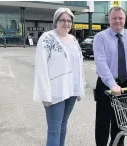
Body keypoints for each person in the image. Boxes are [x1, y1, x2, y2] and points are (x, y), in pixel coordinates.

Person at [93, 6, 127, 146]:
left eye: (120, 18)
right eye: (114, 18)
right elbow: (101, 63)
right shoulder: (100, 37)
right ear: (109, 20)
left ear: (124, 19)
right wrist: (113, 85)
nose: (117, 21)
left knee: (121, 125)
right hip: (106, 87)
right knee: (102, 124)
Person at [33, 7, 85, 146]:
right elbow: (41, 67)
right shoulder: (47, 38)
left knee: (63, 125)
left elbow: (79, 65)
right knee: (54, 130)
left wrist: (79, 88)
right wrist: (45, 94)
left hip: (71, 91)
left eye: (69, 20)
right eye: (62, 20)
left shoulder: (73, 39)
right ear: (56, 21)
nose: (66, 23)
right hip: (55, 92)